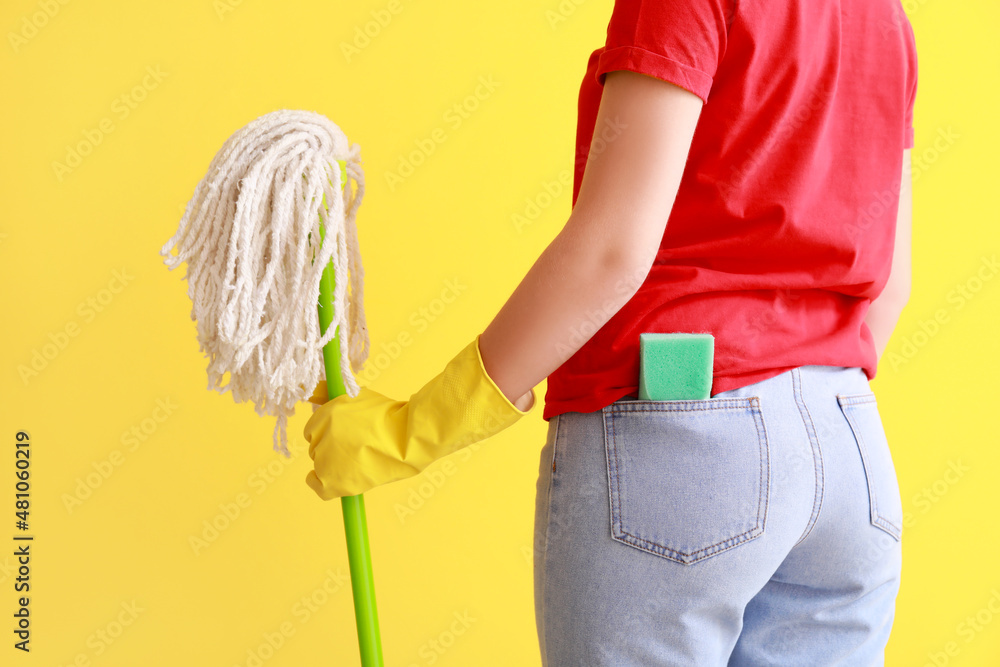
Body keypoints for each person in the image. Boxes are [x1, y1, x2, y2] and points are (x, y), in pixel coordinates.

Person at [303, 0, 917, 664]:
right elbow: (891, 284)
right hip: (849, 450)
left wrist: (414, 428)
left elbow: (612, 253)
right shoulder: (883, 16)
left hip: (683, 439)